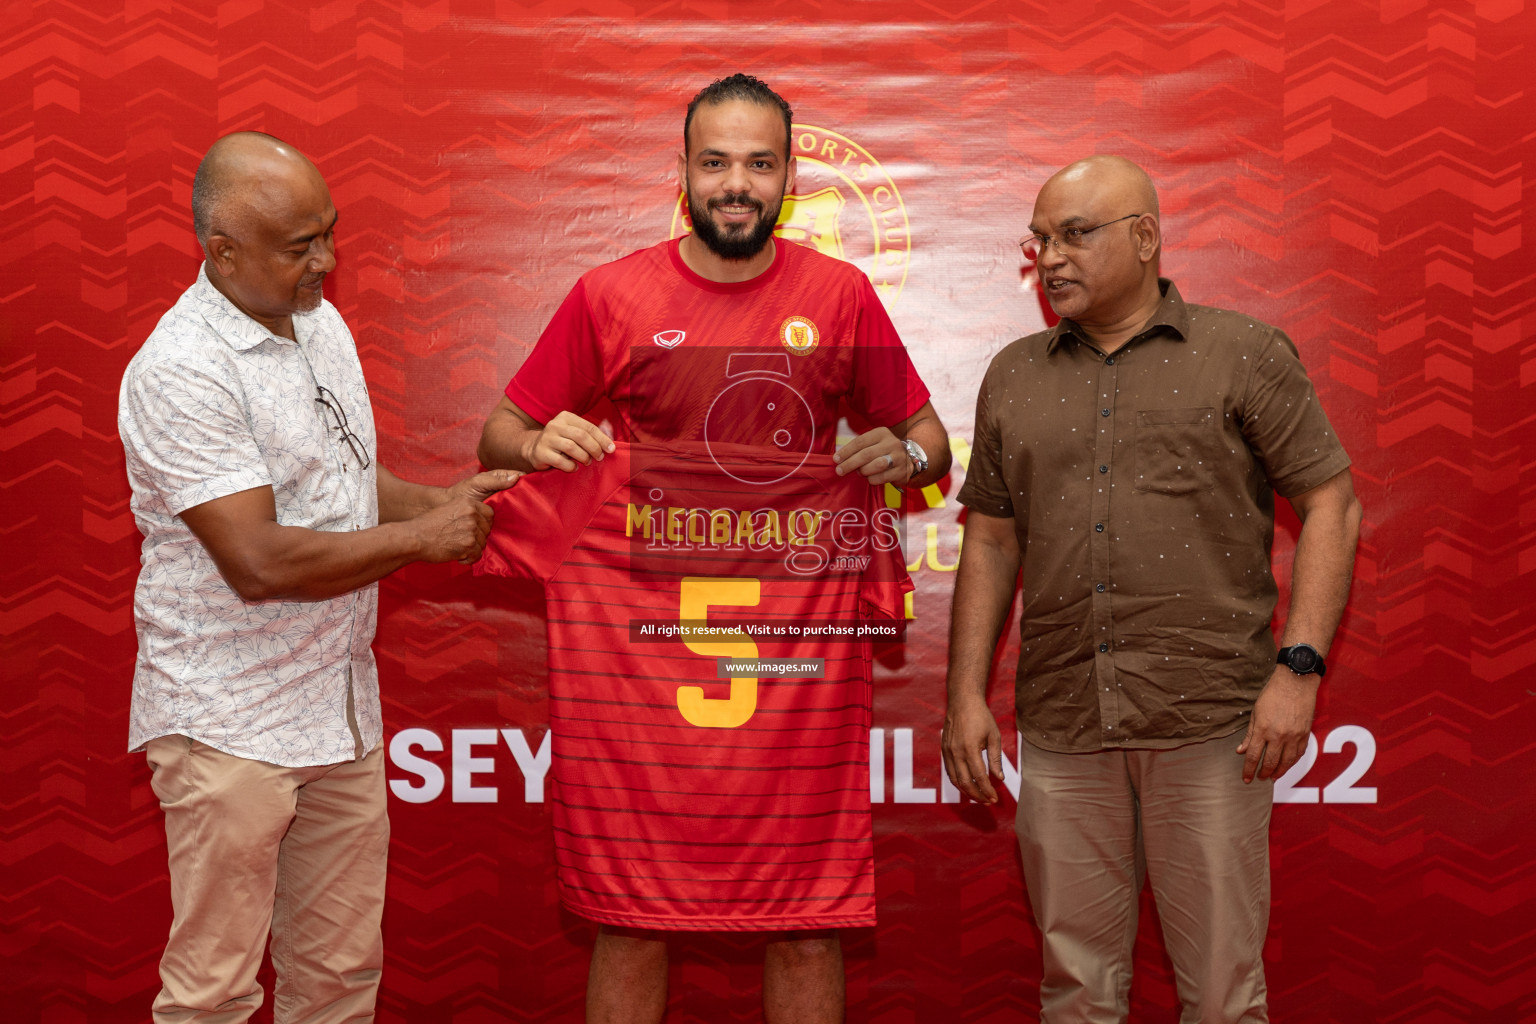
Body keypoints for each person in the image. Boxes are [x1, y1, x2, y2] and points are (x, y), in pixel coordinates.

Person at [477, 74, 951, 1024]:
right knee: (631, 914)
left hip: (793, 669)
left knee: (807, 916)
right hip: (638, 667)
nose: (737, 183)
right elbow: (499, 436)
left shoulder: (842, 296)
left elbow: (932, 442)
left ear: (787, 178)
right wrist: (540, 448)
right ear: (684, 172)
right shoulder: (610, 294)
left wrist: (896, 454)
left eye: (760, 164)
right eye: (717, 162)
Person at [942, 155, 1362, 1023]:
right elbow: (988, 539)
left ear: (1145, 236)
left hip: (1210, 724)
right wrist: (962, 698)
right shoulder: (1013, 375)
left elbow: (1332, 503)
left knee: (1219, 995)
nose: (1052, 256)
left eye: (1075, 234)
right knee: (1076, 990)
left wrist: (1300, 667)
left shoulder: (1242, 352)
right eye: (1041, 239)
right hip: (1063, 723)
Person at [118, 131, 518, 1023]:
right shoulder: (181, 370)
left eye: (329, 235)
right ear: (222, 251)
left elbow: (337, 478)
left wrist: (437, 504)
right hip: (229, 727)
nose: (327, 263)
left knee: (337, 980)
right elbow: (258, 559)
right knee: (213, 995)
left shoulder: (317, 321)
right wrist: (424, 542)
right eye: (301, 246)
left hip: (338, 712)